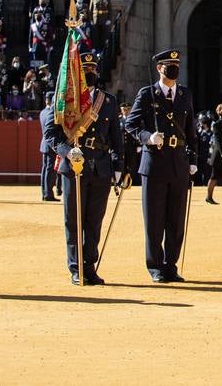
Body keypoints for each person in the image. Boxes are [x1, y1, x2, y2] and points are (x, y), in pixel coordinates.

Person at [45, 54, 124, 285]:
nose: (89, 73)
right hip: (74, 166)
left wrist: (118, 166)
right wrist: (67, 152)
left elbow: (116, 138)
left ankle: (89, 266)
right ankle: (75, 267)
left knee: (94, 220)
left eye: (91, 69)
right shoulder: (64, 100)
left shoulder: (107, 102)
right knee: (74, 219)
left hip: (100, 166)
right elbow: (51, 134)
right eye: (84, 69)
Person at [123, 49, 197, 283]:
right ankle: (155, 266)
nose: (173, 69)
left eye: (176, 64)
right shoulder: (147, 94)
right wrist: (147, 136)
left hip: (178, 163)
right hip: (154, 162)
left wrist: (193, 160)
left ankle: (170, 265)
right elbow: (130, 124)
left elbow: (191, 130)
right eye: (168, 65)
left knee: (175, 220)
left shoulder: (185, 94)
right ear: (159, 68)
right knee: (154, 219)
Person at [38, 91, 58, 201]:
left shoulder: (42, 112)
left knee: (45, 169)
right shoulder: (51, 112)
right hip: (50, 144)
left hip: (44, 144)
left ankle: (44, 193)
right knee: (50, 170)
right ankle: (48, 194)